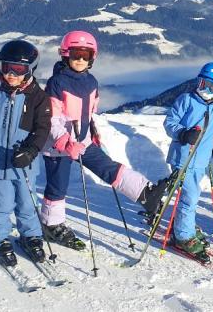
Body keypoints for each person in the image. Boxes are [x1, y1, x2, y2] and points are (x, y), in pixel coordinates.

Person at [39, 31, 171, 250]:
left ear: (93, 57)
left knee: (108, 167)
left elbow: (87, 112)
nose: (80, 59)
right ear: (65, 53)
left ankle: (145, 193)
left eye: (86, 54)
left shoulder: (91, 82)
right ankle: (51, 225)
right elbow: (51, 118)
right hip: (58, 146)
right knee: (57, 186)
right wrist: (64, 141)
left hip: (83, 141)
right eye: (75, 53)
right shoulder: (56, 83)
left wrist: (93, 131)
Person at [0, 40, 52, 266]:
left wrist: (31, 150)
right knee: (1, 203)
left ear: (30, 69)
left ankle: (31, 235)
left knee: (27, 202)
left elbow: (42, 129)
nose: (12, 74)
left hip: (25, 162)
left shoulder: (38, 97)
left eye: (19, 69)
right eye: (7, 68)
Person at [163, 61, 213, 261]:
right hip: (182, 157)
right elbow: (170, 122)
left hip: (202, 159)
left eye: (210, 86)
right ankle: (183, 235)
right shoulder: (186, 99)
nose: (204, 88)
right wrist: (183, 134)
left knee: (191, 195)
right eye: (202, 82)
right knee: (190, 197)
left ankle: (182, 226)